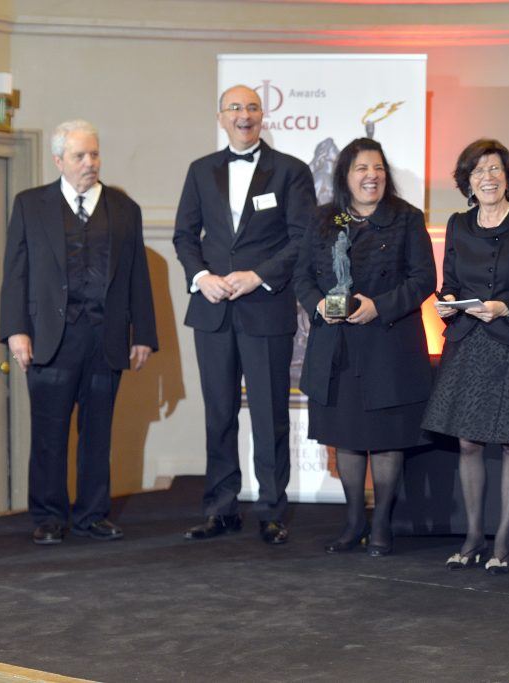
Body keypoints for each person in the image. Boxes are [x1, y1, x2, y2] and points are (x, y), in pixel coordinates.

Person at [0, 120, 157, 544]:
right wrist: (15, 331)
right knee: (48, 434)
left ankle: (92, 514)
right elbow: (15, 273)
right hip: (50, 340)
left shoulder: (125, 209)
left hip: (105, 340)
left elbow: (137, 276)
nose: (90, 163)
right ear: (58, 161)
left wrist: (143, 333)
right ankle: (49, 517)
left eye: (94, 154)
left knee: (98, 433)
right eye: (79, 156)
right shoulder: (30, 205)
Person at [173, 84, 314, 545]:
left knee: (270, 414)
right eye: (235, 107)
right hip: (212, 310)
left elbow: (302, 239)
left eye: (252, 107)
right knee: (219, 414)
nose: (244, 114)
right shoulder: (200, 170)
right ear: (221, 117)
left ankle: (272, 510)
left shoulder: (290, 171)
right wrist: (201, 277)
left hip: (265, 307)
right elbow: (184, 236)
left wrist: (259, 276)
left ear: (262, 116)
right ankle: (220, 509)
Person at [422, 138, 509, 575]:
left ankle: (503, 542)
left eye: (495, 169)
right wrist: (447, 303)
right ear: (467, 181)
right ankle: (472, 537)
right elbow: (450, 283)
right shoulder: (458, 224)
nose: (488, 177)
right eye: (479, 171)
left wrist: (505, 307)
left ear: (508, 176)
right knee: (468, 441)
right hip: (469, 342)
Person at [294, 137, 435, 557]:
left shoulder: (407, 218)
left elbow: (424, 279)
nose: (371, 176)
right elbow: (302, 276)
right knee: (347, 437)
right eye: (361, 168)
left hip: (389, 345)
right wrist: (318, 304)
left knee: (387, 439)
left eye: (377, 168)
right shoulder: (323, 219)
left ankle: (382, 525)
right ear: (346, 176)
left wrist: (379, 307)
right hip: (336, 347)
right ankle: (354, 521)